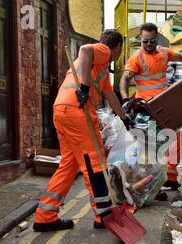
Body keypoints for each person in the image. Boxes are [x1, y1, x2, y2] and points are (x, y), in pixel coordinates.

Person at [33, 29, 128, 232]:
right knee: (95, 163)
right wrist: (84, 88)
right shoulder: (103, 50)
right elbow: (84, 49)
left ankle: (45, 216)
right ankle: (103, 214)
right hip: (78, 112)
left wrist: (124, 118)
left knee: (68, 164)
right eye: (121, 50)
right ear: (118, 47)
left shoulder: (101, 69)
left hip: (62, 110)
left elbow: (110, 96)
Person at [119, 23, 182, 195]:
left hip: (164, 103)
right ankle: (152, 182)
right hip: (147, 109)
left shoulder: (163, 52)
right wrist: (125, 99)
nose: (148, 45)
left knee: (175, 137)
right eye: (145, 42)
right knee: (152, 146)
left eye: (152, 41)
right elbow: (124, 79)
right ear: (140, 39)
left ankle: (171, 178)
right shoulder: (136, 58)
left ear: (156, 39)